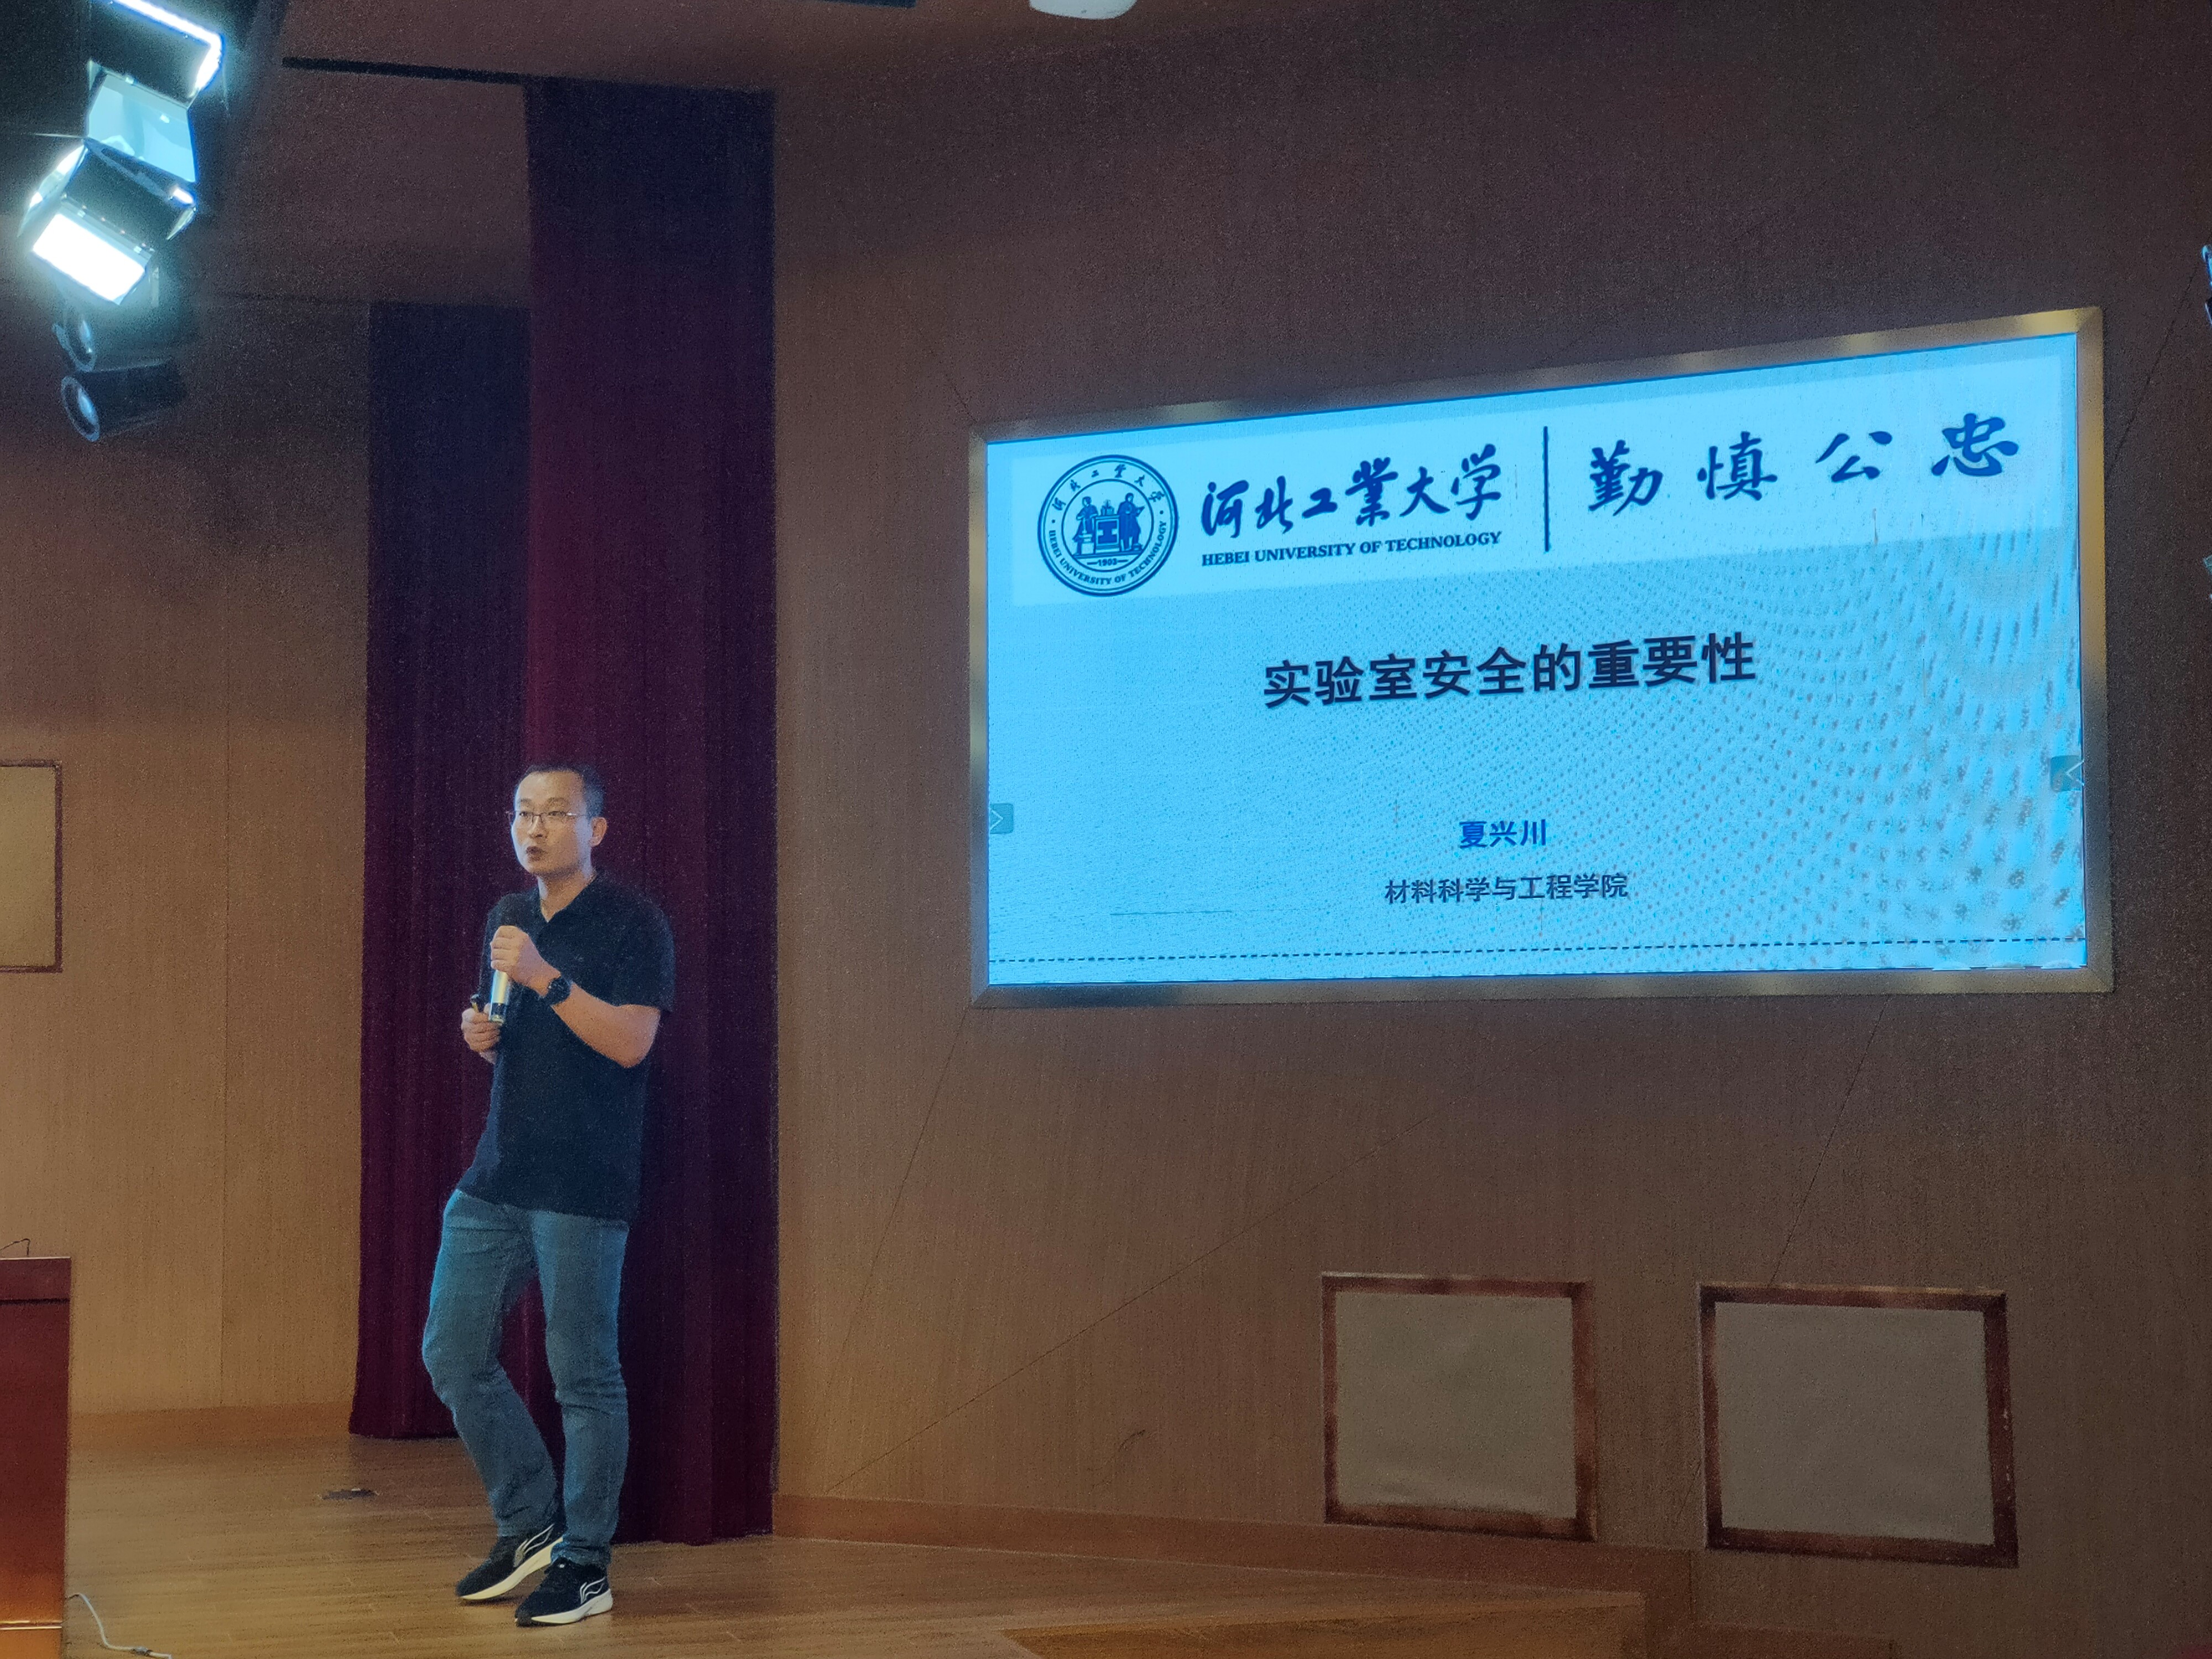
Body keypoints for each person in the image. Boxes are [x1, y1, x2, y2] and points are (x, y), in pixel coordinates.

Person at [420, 762, 675, 1627]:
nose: (534, 828)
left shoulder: (633, 921)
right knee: (453, 1353)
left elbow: (632, 1042)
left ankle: (586, 1561)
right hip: (499, 1174)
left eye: (555, 813)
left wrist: (545, 979)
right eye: (523, 813)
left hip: (583, 1180)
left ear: (594, 830)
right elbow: (516, 1037)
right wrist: (483, 1034)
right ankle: (530, 1519)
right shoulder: (509, 915)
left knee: (583, 1375)